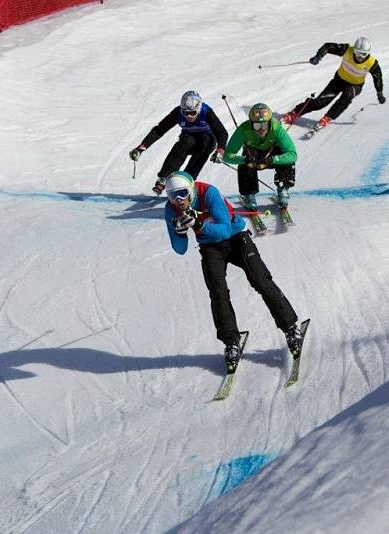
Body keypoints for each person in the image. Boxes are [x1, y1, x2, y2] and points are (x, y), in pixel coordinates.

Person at [162, 170, 304, 373]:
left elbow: (224, 230)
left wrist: (199, 224)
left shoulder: (208, 192)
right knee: (218, 292)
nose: (178, 200)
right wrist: (179, 231)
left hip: (236, 238)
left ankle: (290, 327)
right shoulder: (171, 210)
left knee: (260, 280)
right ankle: (231, 341)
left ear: (191, 189)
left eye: (183, 193)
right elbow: (180, 248)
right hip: (210, 247)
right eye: (172, 196)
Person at [129, 91, 229, 195]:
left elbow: (222, 132)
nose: (189, 116)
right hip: (189, 137)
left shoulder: (206, 111)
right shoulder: (177, 112)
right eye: (186, 113)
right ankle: (164, 177)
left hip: (207, 138)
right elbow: (160, 129)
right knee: (186, 142)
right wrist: (142, 146)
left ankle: (187, 178)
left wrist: (220, 150)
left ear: (198, 109)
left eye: (193, 113)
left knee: (205, 142)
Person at [281, 37, 386, 131]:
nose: (360, 56)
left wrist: (380, 93)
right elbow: (328, 46)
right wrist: (318, 56)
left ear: (368, 53)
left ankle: (328, 117)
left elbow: (378, 78)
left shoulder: (372, 63)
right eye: (358, 52)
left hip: (355, 85)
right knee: (320, 103)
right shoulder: (347, 49)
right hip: (338, 80)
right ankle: (294, 113)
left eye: (364, 54)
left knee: (347, 95)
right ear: (354, 49)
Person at [222, 103, 297, 209]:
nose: (261, 129)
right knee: (245, 161)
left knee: (286, 159)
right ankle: (249, 194)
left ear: (270, 123)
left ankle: (283, 188)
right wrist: (243, 160)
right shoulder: (243, 129)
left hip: (271, 156)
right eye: (256, 125)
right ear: (251, 123)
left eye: (265, 125)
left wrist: (273, 160)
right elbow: (227, 156)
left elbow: (292, 155)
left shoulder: (277, 129)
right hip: (253, 158)